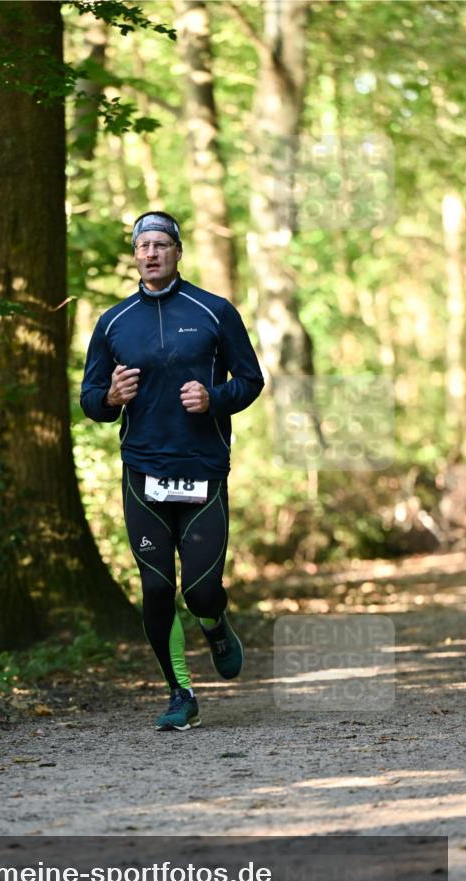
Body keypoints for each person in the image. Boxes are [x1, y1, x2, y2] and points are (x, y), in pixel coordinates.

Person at [80, 211, 264, 731]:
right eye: (144, 246)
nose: (152, 253)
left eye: (162, 244)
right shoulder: (113, 323)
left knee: (201, 590)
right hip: (143, 473)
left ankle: (215, 623)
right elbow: (90, 399)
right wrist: (110, 398)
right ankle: (179, 691)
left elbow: (251, 380)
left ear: (178, 252)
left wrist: (215, 397)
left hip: (203, 469)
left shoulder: (214, 311)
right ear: (135, 256)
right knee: (157, 589)